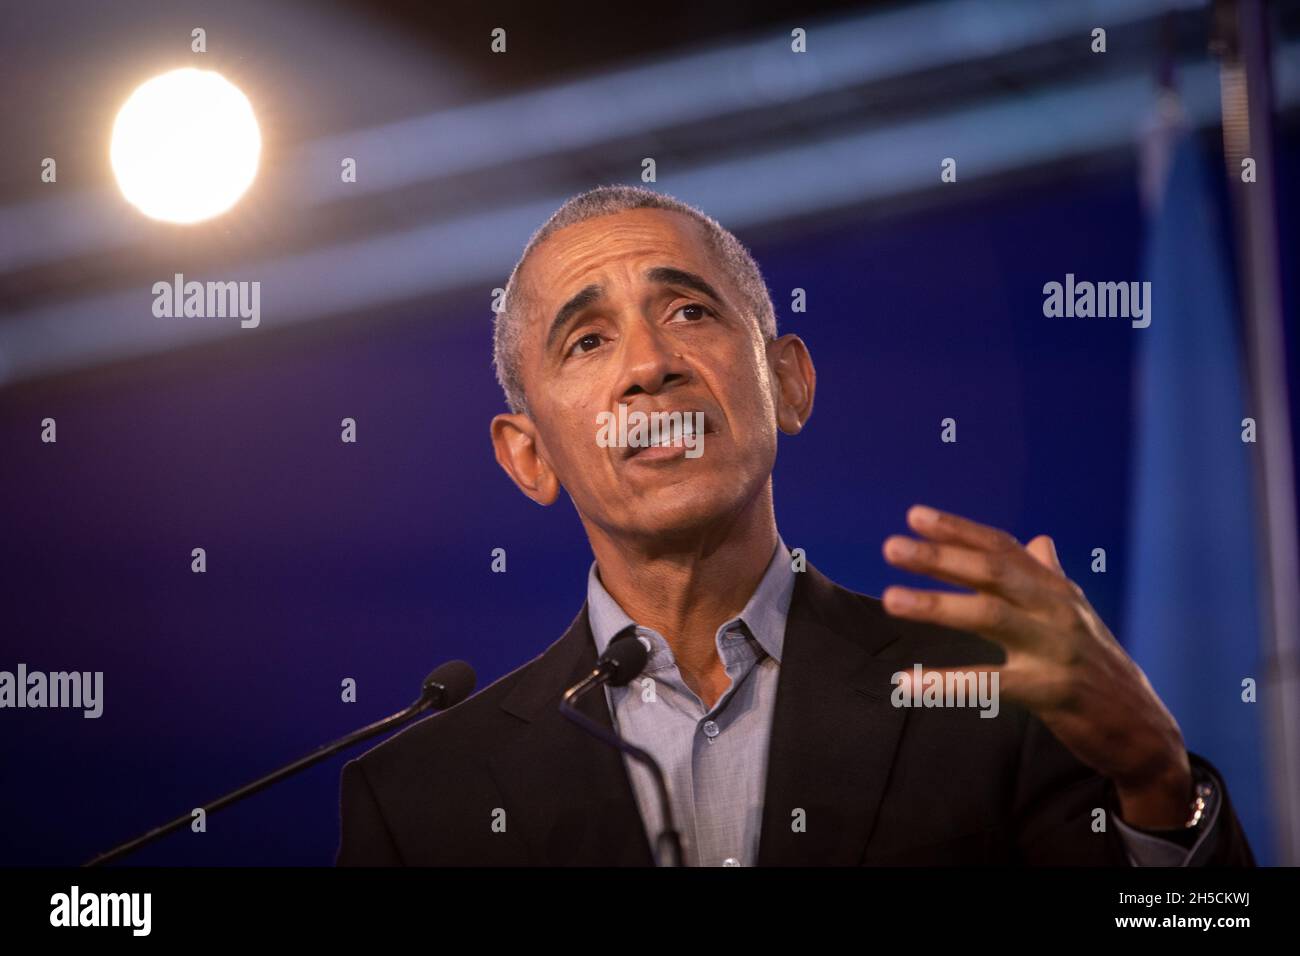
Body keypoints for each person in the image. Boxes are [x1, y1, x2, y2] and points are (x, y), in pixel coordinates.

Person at [336, 185, 1254, 866]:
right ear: (528, 454)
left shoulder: (987, 693)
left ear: (789, 384)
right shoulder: (422, 798)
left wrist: (1157, 787)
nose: (650, 366)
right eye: (588, 340)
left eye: (689, 311)